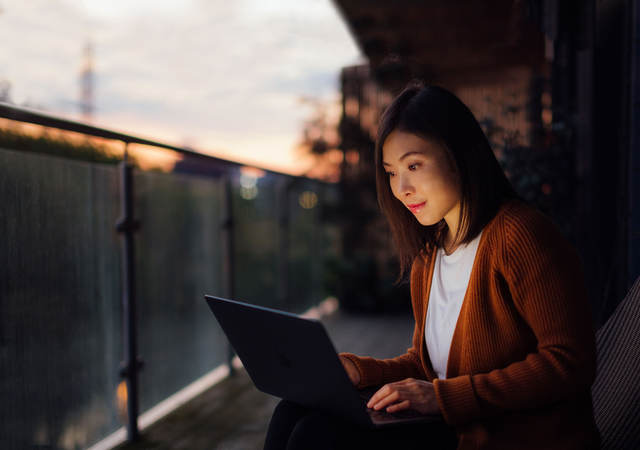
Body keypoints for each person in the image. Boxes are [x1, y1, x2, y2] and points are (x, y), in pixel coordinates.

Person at [263, 82, 600, 450]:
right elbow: (430, 368)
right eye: (391, 172)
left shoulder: (520, 235)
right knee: (292, 411)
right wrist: (361, 371)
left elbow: (571, 363)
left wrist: (442, 398)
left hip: (510, 437)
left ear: (459, 155)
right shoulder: (431, 252)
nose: (401, 187)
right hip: (451, 428)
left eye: (414, 165)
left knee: (316, 437)